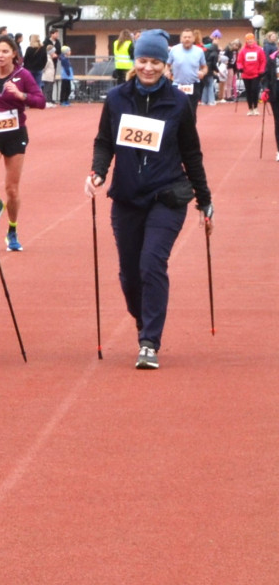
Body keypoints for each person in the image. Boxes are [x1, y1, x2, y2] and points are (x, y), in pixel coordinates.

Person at [84, 29, 213, 370]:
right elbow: (103, 142)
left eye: (156, 61)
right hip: (126, 196)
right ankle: (144, 321)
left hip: (167, 196)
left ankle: (149, 342)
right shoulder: (116, 99)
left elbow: (191, 152)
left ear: (165, 63)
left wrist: (204, 198)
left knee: (151, 264)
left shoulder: (178, 102)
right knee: (129, 274)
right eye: (143, 60)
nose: (149, 67)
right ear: (134, 62)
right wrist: (98, 171)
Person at [0, 33, 46, 252]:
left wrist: (22, 96)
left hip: (15, 134)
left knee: (12, 189)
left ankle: (12, 230)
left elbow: (40, 101)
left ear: (14, 54)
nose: (0, 55)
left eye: (5, 51)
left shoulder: (24, 75)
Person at [166, 28, 207, 120]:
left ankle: (191, 133)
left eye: (189, 37)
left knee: (191, 113)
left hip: (193, 85)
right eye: (185, 37)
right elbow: (167, 65)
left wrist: (203, 72)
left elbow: (205, 67)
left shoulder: (199, 51)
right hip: (177, 85)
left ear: (193, 39)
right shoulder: (174, 50)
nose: (187, 39)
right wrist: (167, 71)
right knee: (177, 111)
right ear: (181, 39)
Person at [236, 32, 266, 116]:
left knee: (254, 90)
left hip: (256, 74)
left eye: (251, 39)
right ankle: (250, 108)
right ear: (246, 41)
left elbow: (263, 61)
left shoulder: (259, 50)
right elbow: (239, 61)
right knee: (248, 91)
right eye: (248, 40)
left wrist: (261, 70)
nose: (250, 41)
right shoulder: (243, 51)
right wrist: (240, 67)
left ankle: (256, 107)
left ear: (254, 40)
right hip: (246, 74)